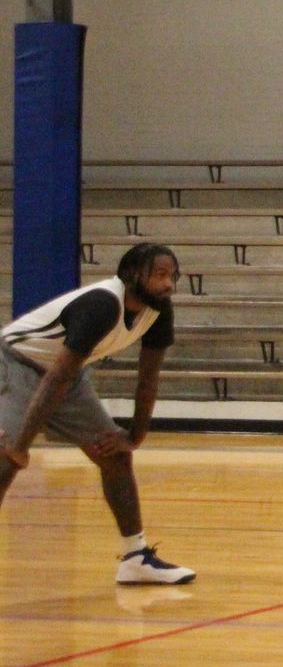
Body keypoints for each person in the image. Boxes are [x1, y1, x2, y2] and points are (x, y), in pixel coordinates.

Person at [0, 244, 195, 585]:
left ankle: (136, 559)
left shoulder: (159, 310)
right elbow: (56, 378)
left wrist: (134, 437)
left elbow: (148, 378)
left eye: (172, 276)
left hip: (64, 375)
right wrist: (20, 447)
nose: (169, 285)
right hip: (15, 363)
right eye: (160, 275)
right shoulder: (103, 304)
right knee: (5, 458)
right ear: (133, 275)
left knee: (115, 455)